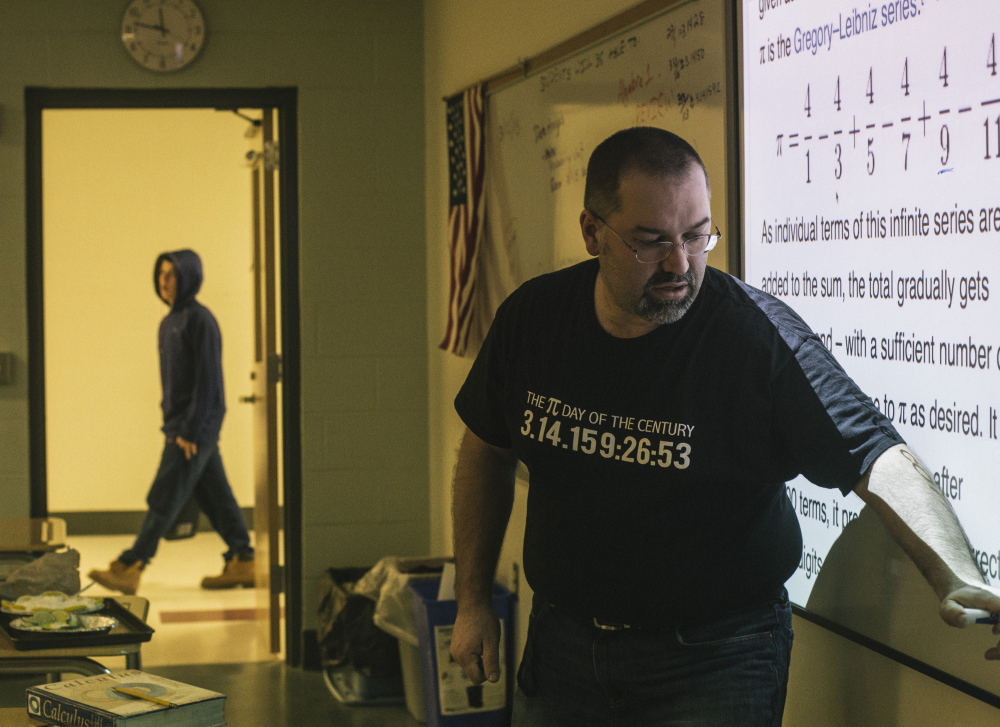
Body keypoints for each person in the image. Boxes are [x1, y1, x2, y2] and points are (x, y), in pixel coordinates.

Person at [449, 127, 1000, 726]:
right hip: (562, 646)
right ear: (591, 233)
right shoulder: (534, 319)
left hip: (715, 659)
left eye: (696, 235)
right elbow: (486, 447)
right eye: (650, 241)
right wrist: (473, 600)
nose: (680, 264)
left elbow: (875, 454)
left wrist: (956, 576)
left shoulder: (754, 339)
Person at [89, 250, 255, 595]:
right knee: (216, 497)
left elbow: (208, 381)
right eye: (161, 274)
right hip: (182, 428)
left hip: (192, 431)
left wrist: (190, 429)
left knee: (164, 496)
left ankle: (133, 564)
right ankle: (244, 559)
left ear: (189, 277)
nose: (165, 282)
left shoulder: (200, 320)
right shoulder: (170, 321)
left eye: (173, 275)